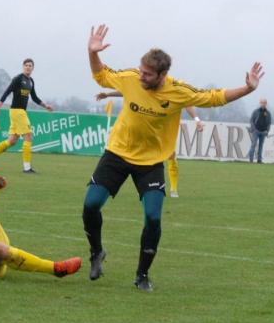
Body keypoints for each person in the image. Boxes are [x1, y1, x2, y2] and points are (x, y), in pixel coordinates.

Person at [84, 24, 264, 291]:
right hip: (118, 153)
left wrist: (247, 89)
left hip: (151, 162)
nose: (141, 76)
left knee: (153, 217)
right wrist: (92, 53)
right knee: (90, 205)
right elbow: (101, 75)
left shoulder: (178, 91)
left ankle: (142, 275)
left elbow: (213, 98)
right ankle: (97, 252)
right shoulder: (131, 78)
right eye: (141, 71)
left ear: (163, 74)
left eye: (147, 74)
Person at [95, 91, 205, 198]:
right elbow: (127, 90)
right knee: (142, 156)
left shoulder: (173, 90)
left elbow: (187, 103)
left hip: (165, 129)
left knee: (171, 155)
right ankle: (143, 187)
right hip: (148, 129)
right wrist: (108, 94)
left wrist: (197, 120)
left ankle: (173, 188)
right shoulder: (147, 87)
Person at [0, 58, 54, 173]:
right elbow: (6, 93)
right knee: (28, 136)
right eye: (26, 65)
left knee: (12, 141)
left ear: (33, 68)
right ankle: (27, 168)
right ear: (23, 66)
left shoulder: (31, 81)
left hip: (19, 112)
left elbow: (34, 98)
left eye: (30, 65)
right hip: (17, 112)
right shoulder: (18, 79)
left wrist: (46, 106)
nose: (28, 67)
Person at [248, 98, 272, 164]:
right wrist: (253, 129)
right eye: (262, 103)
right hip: (256, 131)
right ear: (260, 103)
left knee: (261, 146)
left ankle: (259, 160)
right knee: (253, 145)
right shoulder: (255, 111)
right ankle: (251, 160)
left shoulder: (268, 113)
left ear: (266, 104)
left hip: (263, 132)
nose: (263, 104)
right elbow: (251, 120)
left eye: (264, 103)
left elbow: (269, 123)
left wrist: (267, 131)